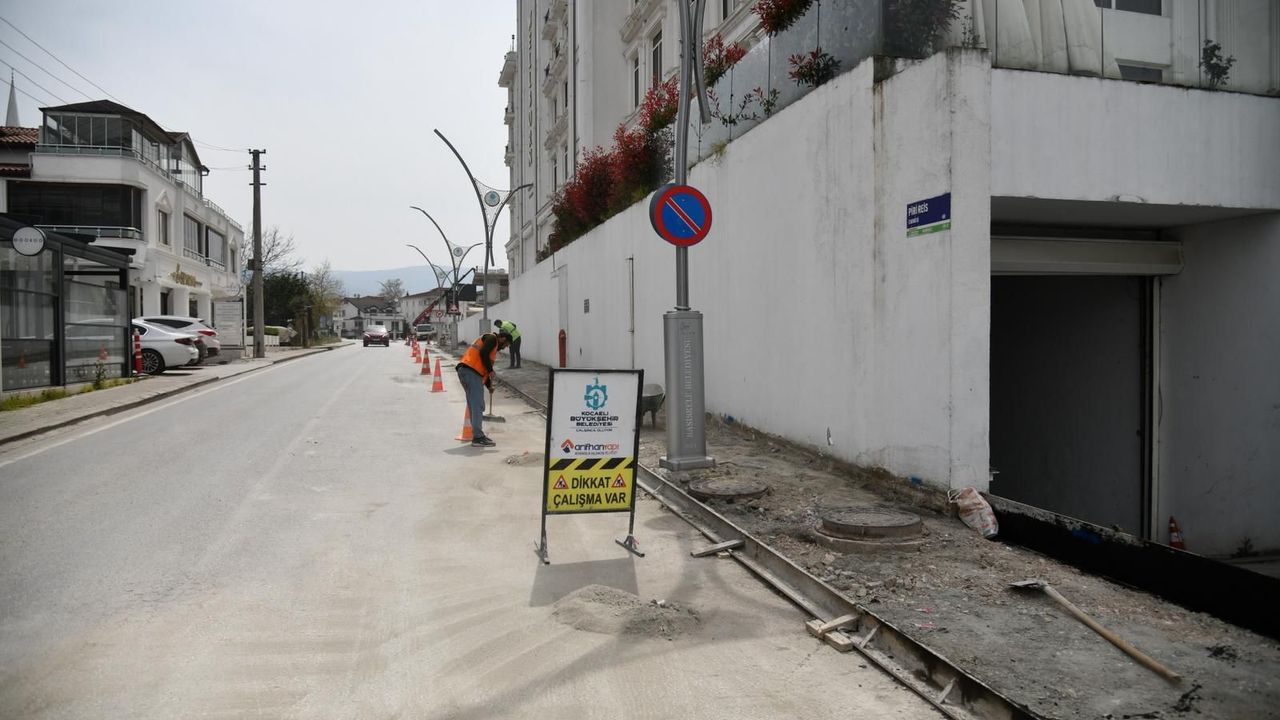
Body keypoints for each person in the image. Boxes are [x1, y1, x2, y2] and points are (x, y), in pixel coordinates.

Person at [455, 330, 512, 447]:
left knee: (473, 404)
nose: (504, 347)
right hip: (471, 372)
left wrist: (489, 385)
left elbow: (483, 368)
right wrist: (491, 370)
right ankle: (478, 437)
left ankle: (477, 434)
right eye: (506, 345)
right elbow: (483, 354)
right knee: (477, 405)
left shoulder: (491, 344)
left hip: (466, 371)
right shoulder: (492, 339)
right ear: (503, 339)